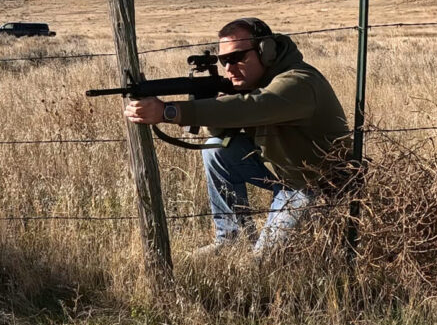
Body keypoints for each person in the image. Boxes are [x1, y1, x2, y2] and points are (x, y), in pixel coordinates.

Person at [124, 18, 349, 255]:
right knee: (217, 148)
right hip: (281, 172)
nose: (229, 68)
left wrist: (169, 111)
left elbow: (252, 107)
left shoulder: (299, 82)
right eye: (224, 61)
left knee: (264, 263)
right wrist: (213, 102)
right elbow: (223, 130)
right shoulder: (253, 82)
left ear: (266, 52)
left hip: (315, 185)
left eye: (238, 57)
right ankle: (231, 238)